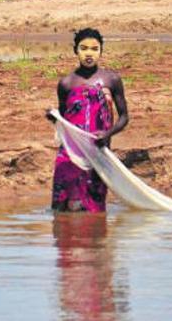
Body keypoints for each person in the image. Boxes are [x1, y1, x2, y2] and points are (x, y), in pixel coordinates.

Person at [48, 28, 129, 213]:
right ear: (75, 50)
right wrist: (54, 118)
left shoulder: (112, 79)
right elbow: (64, 122)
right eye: (84, 48)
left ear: (101, 51)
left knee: (93, 208)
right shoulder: (66, 83)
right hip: (70, 154)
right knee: (62, 207)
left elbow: (124, 117)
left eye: (94, 49)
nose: (89, 53)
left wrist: (107, 134)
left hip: (98, 153)